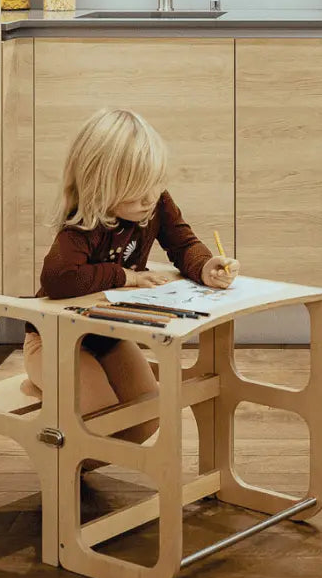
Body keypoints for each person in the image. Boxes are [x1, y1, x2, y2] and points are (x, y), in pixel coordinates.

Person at [22, 107, 238, 445]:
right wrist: (125, 276)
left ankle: (59, 395)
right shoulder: (82, 226)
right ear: (98, 186)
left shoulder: (155, 204)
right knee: (95, 421)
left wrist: (205, 266)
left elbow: (183, 243)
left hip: (107, 336)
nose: (149, 198)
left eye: (154, 183)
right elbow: (58, 279)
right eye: (137, 189)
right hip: (55, 340)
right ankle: (47, 392)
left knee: (146, 417)